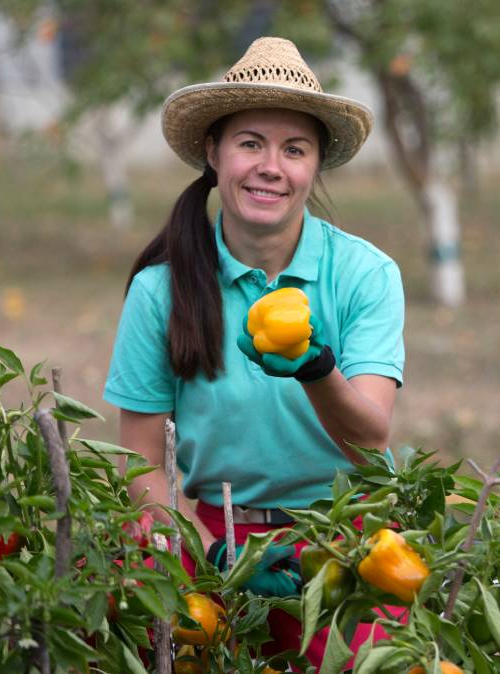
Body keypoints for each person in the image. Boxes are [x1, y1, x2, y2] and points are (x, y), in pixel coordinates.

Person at [102, 36, 405, 664]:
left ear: (316, 167)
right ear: (213, 154)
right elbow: (140, 464)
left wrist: (315, 367)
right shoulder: (161, 291)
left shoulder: (365, 275)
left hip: (347, 536)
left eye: (294, 149)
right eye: (250, 143)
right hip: (220, 535)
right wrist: (207, 556)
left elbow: (370, 439)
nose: (271, 166)